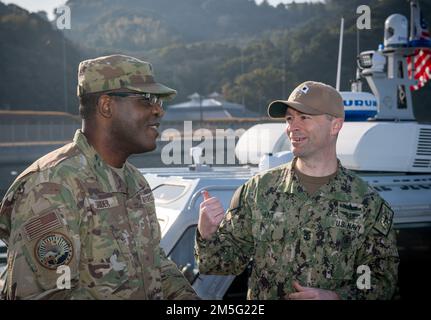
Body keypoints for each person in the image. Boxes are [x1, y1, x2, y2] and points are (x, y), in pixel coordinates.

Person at [0, 54, 198, 300]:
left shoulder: (136, 183)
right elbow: (50, 295)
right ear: (106, 106)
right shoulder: (51, 186)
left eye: (158, 101)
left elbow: (156, 265)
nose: (159, 110)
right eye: (147, 99)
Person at [195, 81, 399, 300]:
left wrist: (337, 297)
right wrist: (206, 234)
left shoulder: (368, 203)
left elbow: (380, 281)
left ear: (335, 126)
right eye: (290, 118)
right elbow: (221, 265)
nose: (292, 126)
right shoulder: (257, 190)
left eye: (304, 117)